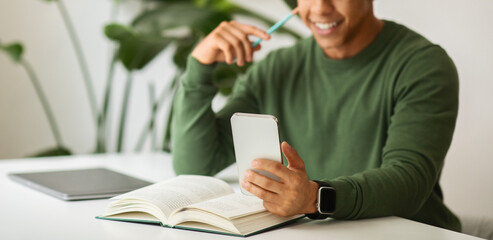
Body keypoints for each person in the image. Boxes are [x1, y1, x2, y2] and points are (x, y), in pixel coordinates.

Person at [171, 0, 461, 232]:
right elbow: (196, 163)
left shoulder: (423, 65)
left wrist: (314, 197)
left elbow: (410, 182)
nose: (321, 8)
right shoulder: (277, 69)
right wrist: (199, 66)